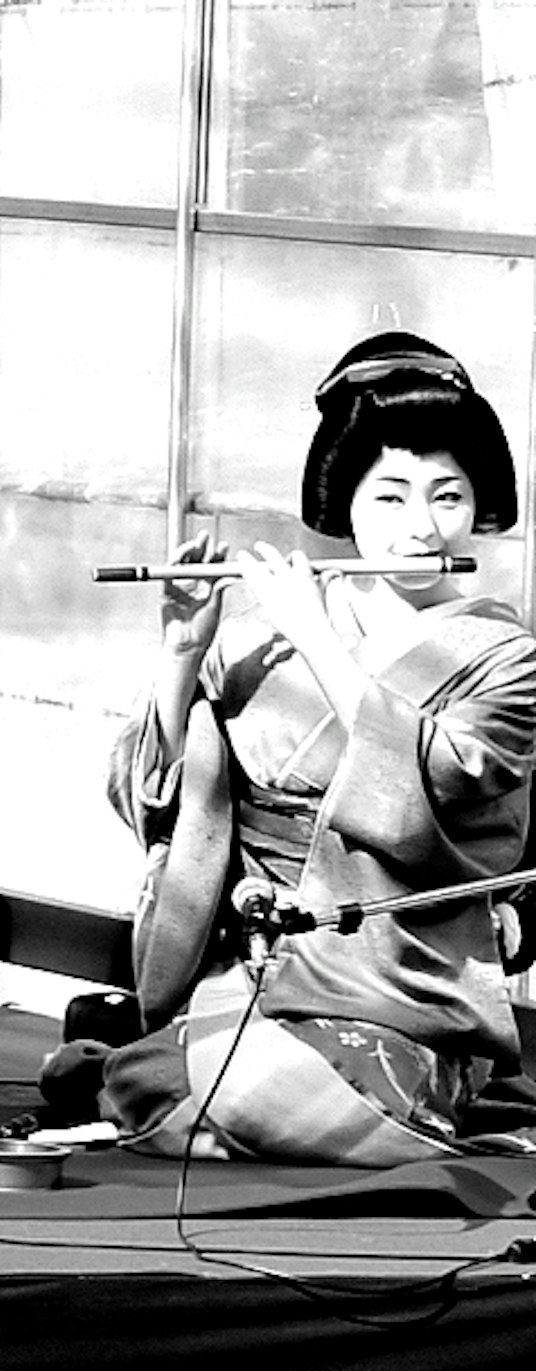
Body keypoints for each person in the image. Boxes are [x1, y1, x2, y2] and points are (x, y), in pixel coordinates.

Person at [107, 332, 536, 1161]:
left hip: (398, 979)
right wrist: (182, 653)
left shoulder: (508, 659)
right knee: (171, 1081)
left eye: (447, 496)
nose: (421, 526)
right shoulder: (260, 633)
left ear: (479, 505)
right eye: (391, 499)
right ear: (345, 505)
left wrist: (319, 641)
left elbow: (435, 793)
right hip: (253, 966)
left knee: (255, 1091)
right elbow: (157, 800)